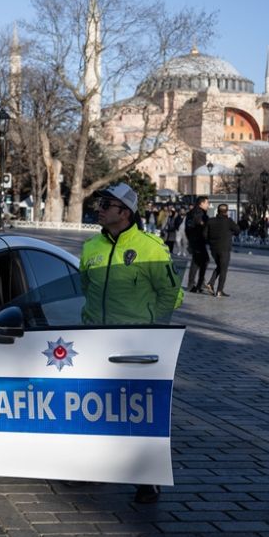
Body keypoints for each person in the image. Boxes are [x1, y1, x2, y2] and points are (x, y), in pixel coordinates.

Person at [79, 182, 184, 504]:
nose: (99, 208)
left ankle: (147, 478)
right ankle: (96, 468)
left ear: (125, 212)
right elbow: (84, 286)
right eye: (100, 203)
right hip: (95, 340)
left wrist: (155, 331)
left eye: (106, 204)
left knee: (139, 413)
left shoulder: (150, 247)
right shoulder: (90, 247)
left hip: (136, 344)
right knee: (95, 408)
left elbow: (172, 294)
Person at [205, 203, 240, 297]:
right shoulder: (228, 221)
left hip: (213, 249)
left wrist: (210, 241)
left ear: (218, 210)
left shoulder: (210, 221)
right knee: (223, 269)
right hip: (224, 248)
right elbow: (237, 230)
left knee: (220, 266)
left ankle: (210, 283)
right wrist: (230, 232)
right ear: (226, 211)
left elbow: (205, 234)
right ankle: (219, 290)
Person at [185, 196, 210, 293]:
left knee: (197, 262)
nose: (208, 205)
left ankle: (195, 283)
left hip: (194, 240)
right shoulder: (199, 213)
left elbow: (188, 228)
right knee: (203, 261)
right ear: (201, 203)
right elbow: (201, 225)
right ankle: (198, 283)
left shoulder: (192, 212)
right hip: (198, 240)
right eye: (207, 203)